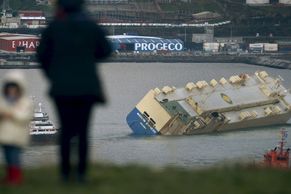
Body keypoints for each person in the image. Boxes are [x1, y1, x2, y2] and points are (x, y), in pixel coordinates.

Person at [36, 0, 111, 182]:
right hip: (87, 88)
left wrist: (53, 76)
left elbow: (41, 56)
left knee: (66, 132)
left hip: (61, 88)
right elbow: (106, 51)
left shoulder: (54, 27)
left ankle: (64, 174)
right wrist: (87, 58)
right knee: (84, 132)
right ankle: (81, 174)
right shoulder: (90, 26)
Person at [0, 71, 33, 185]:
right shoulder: (3, 101)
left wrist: (11, 114)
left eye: (14, 88)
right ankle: (9, 176)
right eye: (9, 88)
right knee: (8, 157)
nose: (11, 91)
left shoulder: (25, 102)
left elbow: (25, 116)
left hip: (17, 136)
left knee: (15, 157)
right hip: (4, 136)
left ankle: (16, 177)